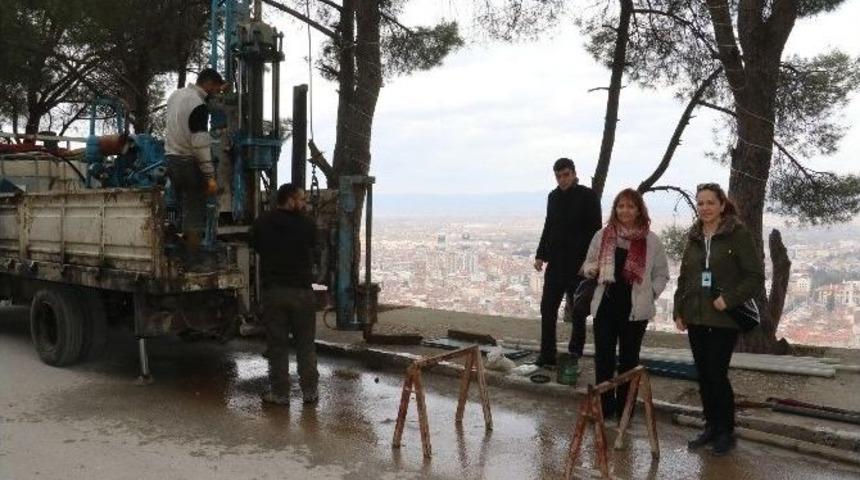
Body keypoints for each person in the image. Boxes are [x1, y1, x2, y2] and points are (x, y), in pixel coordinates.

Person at [673, 183, 763, 456]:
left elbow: (755, 277)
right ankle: (711, 426)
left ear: (722, 205)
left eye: (710, 202)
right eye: (700, 203)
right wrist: (679, 310)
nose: (705, 208)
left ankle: (726, 430)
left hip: (723, 319)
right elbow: (684, 277)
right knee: (703, 375)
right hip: (696, 318)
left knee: (716, 374)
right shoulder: (694, 236)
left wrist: (729, 299)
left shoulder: (737, 234)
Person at [581, 188, 669, 421]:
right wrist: (592, 269)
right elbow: (588, 263)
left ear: (639, 210)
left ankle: (624, 411)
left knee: (629, 362)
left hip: (635, 310)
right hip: (606, 306)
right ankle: (604, 408)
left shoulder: (651, 240)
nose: (625, 211)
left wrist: (651, 293)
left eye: (630, 206)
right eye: (621, 206)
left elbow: (662, 273)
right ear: (615, 209)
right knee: (603, 360)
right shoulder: (603, 235)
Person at [250, 183, 319, 406]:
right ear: (290, 200)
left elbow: (255, 246)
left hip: (275, 292)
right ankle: (310, 391)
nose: (305, 204)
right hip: (302, 293)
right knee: (305, 344)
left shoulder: (262, 222)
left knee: (277, 345)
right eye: (302, 199)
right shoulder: (307, 224)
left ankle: (280, 393)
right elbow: (316, 247)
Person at [534, 157, 602, 366]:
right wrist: (540, 255)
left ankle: (575, 354)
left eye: (566, 175)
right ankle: (547, 355)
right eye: (558, 176)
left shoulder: (588, 196)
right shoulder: (553, 197)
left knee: (578, 312)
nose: (562, 180)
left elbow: (596, 231)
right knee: (547, 309)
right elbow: (549, 226)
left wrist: (589, 263)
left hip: (579, 266)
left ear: (574, 174)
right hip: (556, 263)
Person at [164, 68, 224, 251]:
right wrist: (210, 177)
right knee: (195, 209)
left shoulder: (176, 95)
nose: (216, 94)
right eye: (216, 90)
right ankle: (193, 254)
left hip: (170, 159)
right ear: (209, 84)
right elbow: (200, 145)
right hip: (187, 162)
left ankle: (173, 241)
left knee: (177, 206)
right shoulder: (198, 105)